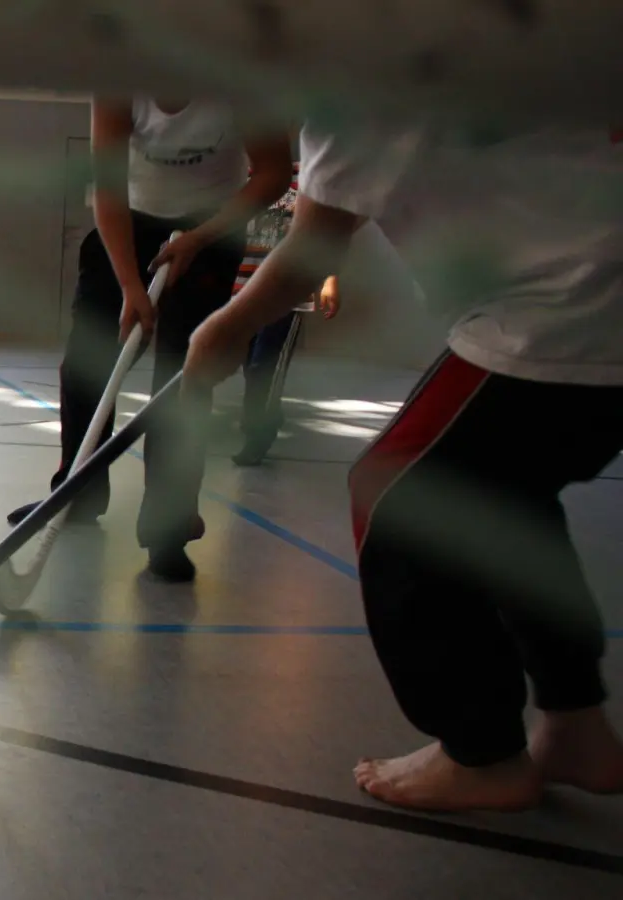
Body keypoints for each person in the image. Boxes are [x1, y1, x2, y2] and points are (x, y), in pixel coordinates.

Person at [182, 121, 623, 812]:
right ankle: (576, 723)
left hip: (567, 314)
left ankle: (482, 754)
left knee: (397, 494)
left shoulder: (358, 71)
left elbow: (314, 245)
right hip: (579, 303)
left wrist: (223, 328)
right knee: (507, 494)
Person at [6, 97, 293, 583]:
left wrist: (199, 237)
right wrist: (130, 286)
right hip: (126, 223)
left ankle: (169, 526)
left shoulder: (235, 73)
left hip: (212, 226)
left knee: (184, 378)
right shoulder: (121, 76)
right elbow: (109, 188)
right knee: (86, 366)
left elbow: (273, 174)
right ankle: (76, 494)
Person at [231, 159, 342, 466]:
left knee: (263, 366)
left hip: (286, 295)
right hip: (242, 291)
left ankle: (257, 434)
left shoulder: (307, 175)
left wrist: (329, 279)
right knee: (249, 365)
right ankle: (269, 413)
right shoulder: (237, 176)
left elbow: (326, 232)